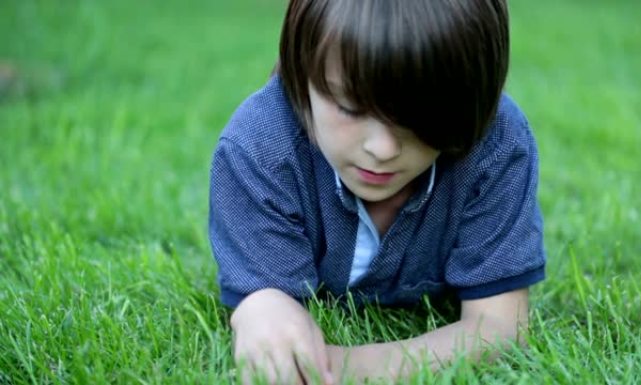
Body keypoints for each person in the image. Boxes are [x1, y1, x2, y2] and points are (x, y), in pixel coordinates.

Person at [209, 0, 546, 383]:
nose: (382, 150)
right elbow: (265, 304)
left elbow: (499, 328)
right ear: (301, 73)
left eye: (419, 118)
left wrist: (344, 367)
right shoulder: (259, 148)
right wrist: (263, 308)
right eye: (350, 108)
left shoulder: (497, 146)